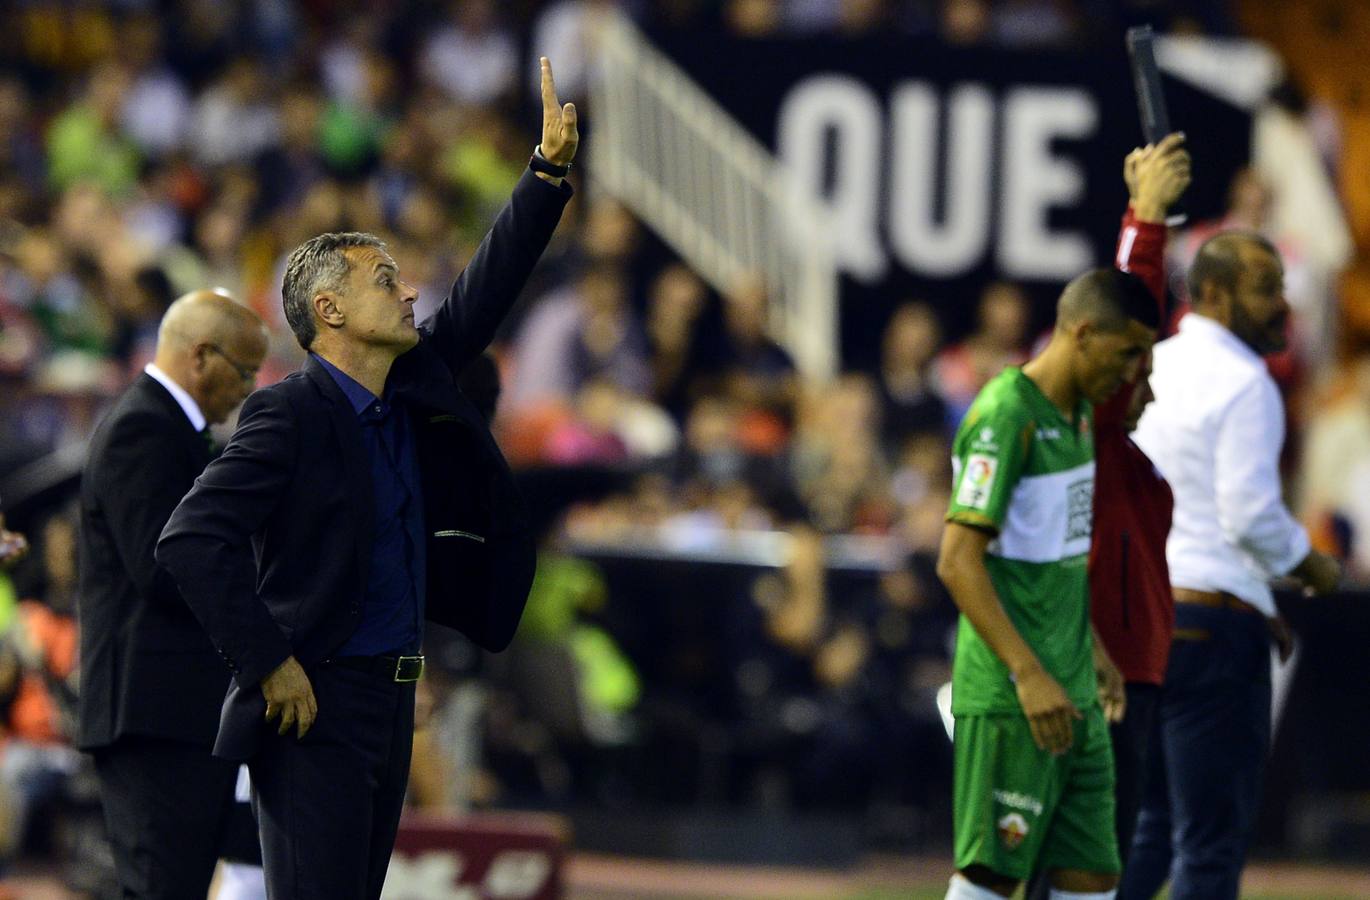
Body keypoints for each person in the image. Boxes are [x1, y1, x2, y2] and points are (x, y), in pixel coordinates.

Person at [155, 58, 578, 899]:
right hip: (314, 704)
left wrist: (545, 175)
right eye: (384, 280)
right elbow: (189, 538)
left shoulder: (414, 387)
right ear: (332, 312)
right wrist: (267, 662)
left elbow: (486, 289)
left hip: (391, 703)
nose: (410, 289)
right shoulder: (290, 413)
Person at [1122, 232, 1342, 899]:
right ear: (1211, 292)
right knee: (1209, 845)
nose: (1282, 304)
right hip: (1214, 624)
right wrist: (1310, 566)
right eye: (1265, 286)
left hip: (1143, 619)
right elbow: (1246, 516)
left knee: (1149, 826)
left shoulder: (1147, 365)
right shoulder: (1247, 384)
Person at [937, 266, 1160, 900]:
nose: (1131, 373)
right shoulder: (1006, 415)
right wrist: (1028, 674)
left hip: (1075, 696)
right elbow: (957, 560)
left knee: (1093, 878)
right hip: (1015, 698)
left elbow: (1055, 555)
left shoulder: (1081, 417)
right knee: (990, 877)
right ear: (1084, 333)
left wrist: (1089, 648)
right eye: (1126, 354)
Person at [1025, 135, 1191, 900]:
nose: (1143, 389)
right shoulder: (1076, 428)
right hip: (1100, 674)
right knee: (1082, 873)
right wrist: (1147, 220)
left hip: (1127, 671)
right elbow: (1127, 308)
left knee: (1090, 874)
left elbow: (1124, 326)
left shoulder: (1114, 453)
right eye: (1136, 369)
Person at [76, 289, 268, 899]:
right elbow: (162, 568)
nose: (247, 388)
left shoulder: (169, 429)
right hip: (153, 715)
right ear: (202, 357)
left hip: (174, 715)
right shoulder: (144, 427)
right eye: (243, 371)